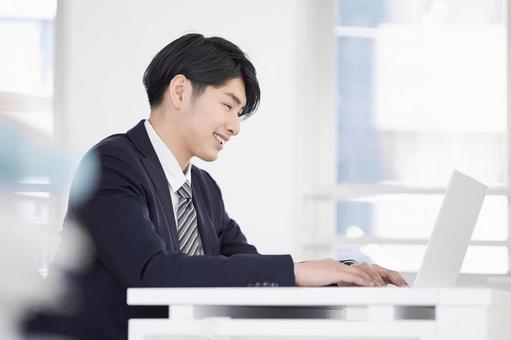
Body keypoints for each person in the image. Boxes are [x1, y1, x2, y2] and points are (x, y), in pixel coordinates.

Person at [26, 33, 408, 340]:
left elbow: (248, 271)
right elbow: (152, 273)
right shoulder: (112, 164)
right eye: (228, 106)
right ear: (179, 91)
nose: (235, 126)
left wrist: (344, 275)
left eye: (238, 114)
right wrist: (295, 269)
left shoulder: (204, 189)